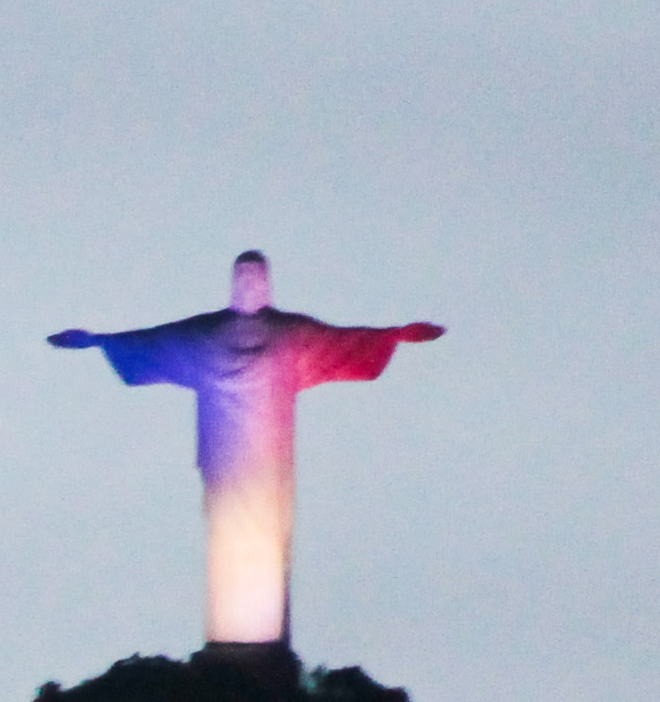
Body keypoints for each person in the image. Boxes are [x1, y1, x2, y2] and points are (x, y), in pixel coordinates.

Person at [52, 252, 442, 649]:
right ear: (232, 281)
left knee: (268, 543)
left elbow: (345, 341)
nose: (249, 282)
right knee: (227, 544)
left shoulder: (292, 334)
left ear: (269, 283)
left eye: (257, 276)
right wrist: (97, 340)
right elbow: (154, 340)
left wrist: (395, 334)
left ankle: (263, 642)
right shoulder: (205, 334)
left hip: (268, 460)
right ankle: (231, 642)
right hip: (224, 458)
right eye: (242, 275)